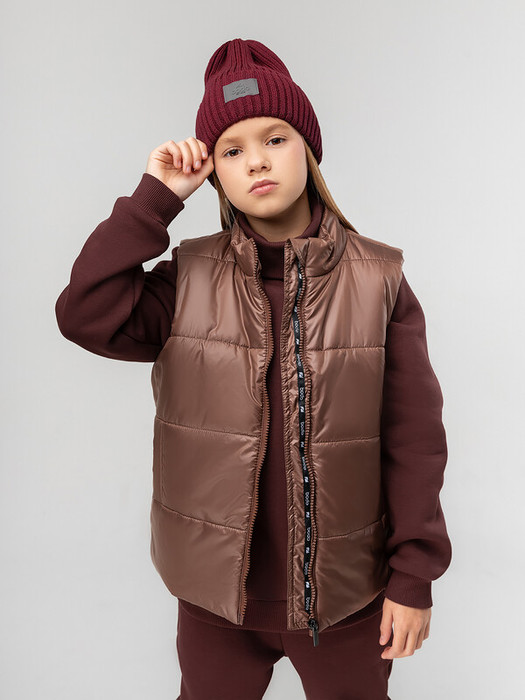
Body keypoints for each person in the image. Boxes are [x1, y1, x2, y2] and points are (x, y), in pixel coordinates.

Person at [55, 37, 452, 700]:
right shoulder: (185, 280)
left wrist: (413, 577)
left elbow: (415, 441)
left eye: (274, 139)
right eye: (232, 151)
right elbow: (84, 315)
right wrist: (154, 200)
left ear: (307, 149)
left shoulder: (378, 280)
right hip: (215, 599)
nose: (257, 161)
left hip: (345, 597)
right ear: (213, 172)